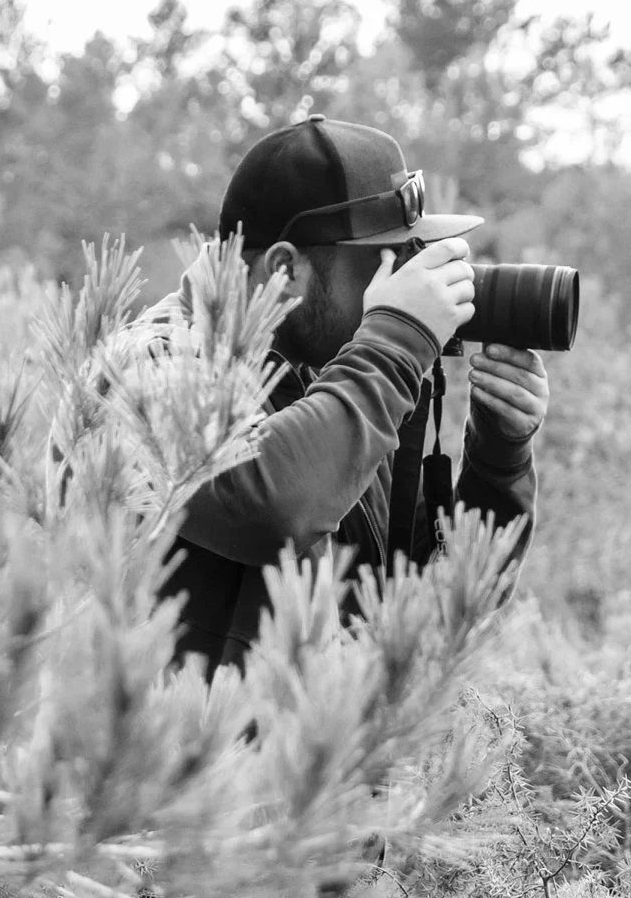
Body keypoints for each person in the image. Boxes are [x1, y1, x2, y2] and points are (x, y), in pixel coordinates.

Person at [155, 114, 548, 677]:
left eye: (408, 258)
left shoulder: (336, 379)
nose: (400, 286)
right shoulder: (147, 369)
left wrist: (500, 457)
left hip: (318, 759)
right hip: (167, 758)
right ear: (285, 268)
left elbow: (431, 620)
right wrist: (396, 338)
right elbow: (274, 503)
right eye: (379, 263)